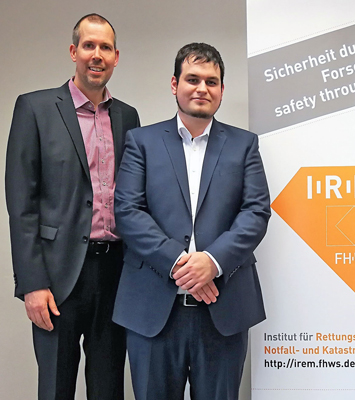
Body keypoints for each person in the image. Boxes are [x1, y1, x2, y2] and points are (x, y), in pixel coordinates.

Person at [112, 42, 270, 400]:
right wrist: (180, 264)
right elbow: (128, 212)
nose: (202, 88)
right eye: (193, 79)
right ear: (175, 84)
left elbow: (256, 211)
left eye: (211, 82)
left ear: (222, 90)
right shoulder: (141, 141)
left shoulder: (244, 144)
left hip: (223, 310)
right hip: (153, 311)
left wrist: (212, 262)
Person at [5, 13, 140, 400]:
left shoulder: (127, 117)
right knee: (55, 388)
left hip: (115, 274)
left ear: (116, 57)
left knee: (108, 387)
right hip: (57, 277)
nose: (97, 55)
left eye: (105, 47)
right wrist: (32, 284)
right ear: (73, 51)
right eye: (89, 45)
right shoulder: (35, 108)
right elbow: (21, 204)